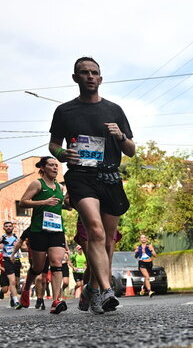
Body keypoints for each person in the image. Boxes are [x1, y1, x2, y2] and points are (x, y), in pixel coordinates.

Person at [49, 56, 135, 315]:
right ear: (75, 78)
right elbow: (53, 145)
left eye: (94, 72)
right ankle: (108, 291)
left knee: (108, 242)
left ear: (100, 78)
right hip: (81, 177)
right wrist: (63, 155)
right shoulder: (65, 111)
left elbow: (131, 150)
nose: (89, 76)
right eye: (84, 72)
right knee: (95, 232)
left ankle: (92, 289)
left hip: (109, 176)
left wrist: (120, 136)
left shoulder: (114, 110)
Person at [17, 156, 69, 314]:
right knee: (38, 267)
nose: (55, 168)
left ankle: (56, 300)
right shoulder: (37, 184)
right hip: (39, 230)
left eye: (57, 166)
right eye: (52, 165)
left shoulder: (60, 188)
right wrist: (43, 202)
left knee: (56, 263)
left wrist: (68, 204)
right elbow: (22, 202)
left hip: (57, 230)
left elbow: (62, 205)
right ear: (43, 168)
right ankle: (26, 289)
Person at [0, 221, 22, 307]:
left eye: (10, 226)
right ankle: (16, 301)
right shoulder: (1, 238)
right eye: (6, 226)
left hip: (16, 260)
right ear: (4, 228)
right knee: (12, 281)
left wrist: (18, 245)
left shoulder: (17, 238)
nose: (8, 227)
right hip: (7, 260)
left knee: (17, 283)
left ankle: (12, 296)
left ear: (13, 228)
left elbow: (25, 247)